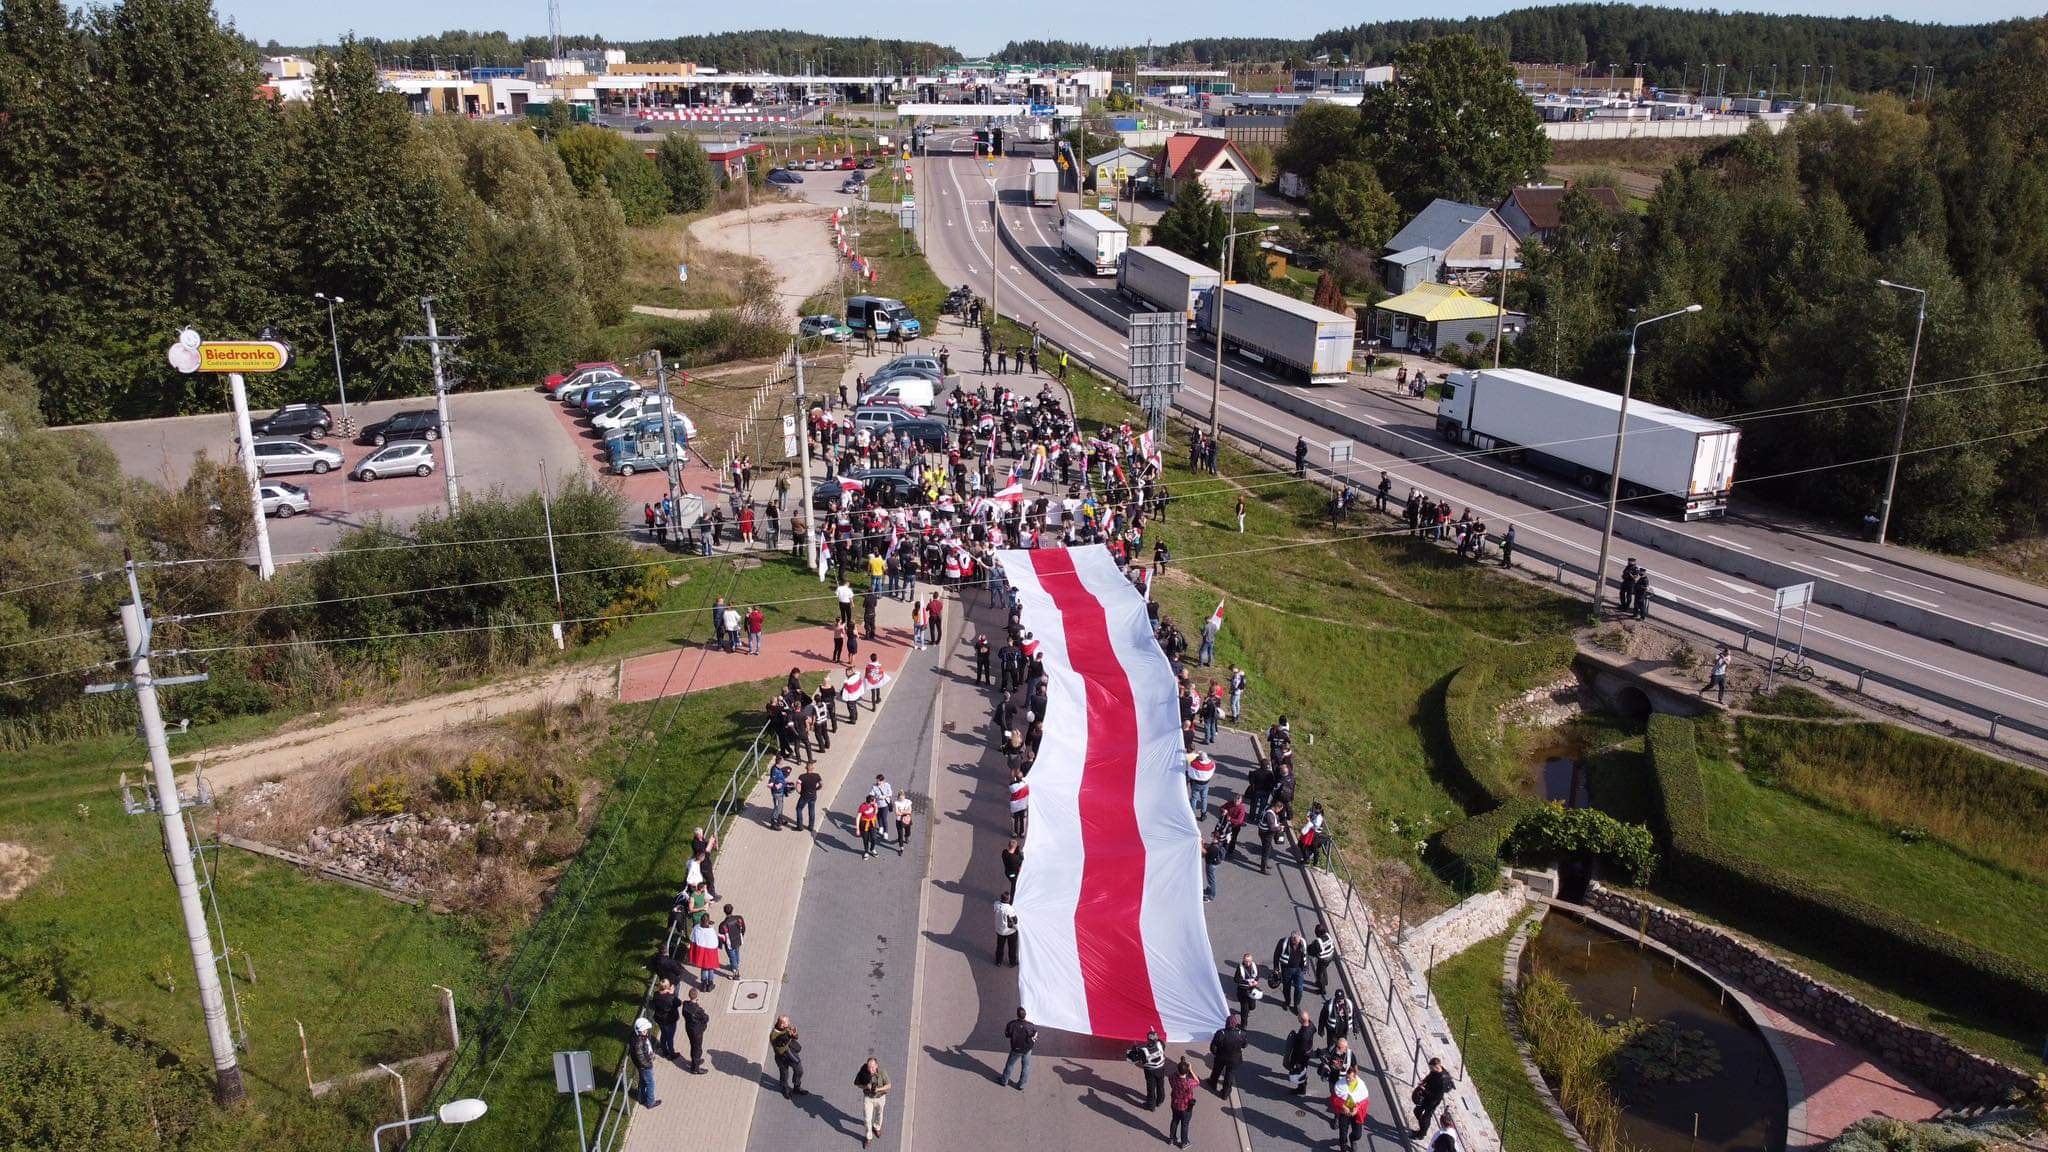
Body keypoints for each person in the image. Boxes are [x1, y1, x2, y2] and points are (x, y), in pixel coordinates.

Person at [1331, 1065, 1371, 1152]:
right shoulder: (1340, 1085)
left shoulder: (1361, 1086)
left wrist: (1357, 1108)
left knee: (1357, 1134)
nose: (1348, 1080)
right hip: (1344, 1112)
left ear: (1355, 1076)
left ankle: (1352, 1139)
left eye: (1350, 1078)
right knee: (1342, 1133)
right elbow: (1334, 1098)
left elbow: (1365, 1101)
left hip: (1356, 1113)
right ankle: (1343, 1146)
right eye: (1347, 1078)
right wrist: (1343, 1106)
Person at [1126, 1029, 1168, 1110]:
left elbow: (1134, 1059)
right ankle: (1160, 1100)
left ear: (1148, 1040)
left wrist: (1133, 1050)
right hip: (1161, 1068)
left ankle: (1151, 1105)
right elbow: (1161, 1045)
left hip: (1150, 1071)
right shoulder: (1161, 1044)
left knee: (1151, 1088)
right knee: (1160, 1085)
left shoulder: (1144, 1050)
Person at [1206, 1013, 1247, 1096]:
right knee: (1230, 1075)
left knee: (1216, 1071)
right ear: (1236, 1024)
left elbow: (1213, 1047)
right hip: (1235, 1059)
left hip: (1221, 1057)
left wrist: (1216, 1053)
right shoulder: (1241, 1034)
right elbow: (1244, 1045)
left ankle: (1213, 1084)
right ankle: (1225, 1093)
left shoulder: (1221, 1033)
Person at [854, 1057, 891, 1148]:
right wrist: (866, 1086)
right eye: (869, 1067)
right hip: (868, 1098)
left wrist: (878, 1089)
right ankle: (868, 1137)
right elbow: (857, 1084)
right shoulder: (864, 1072)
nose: (871, 1070)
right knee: (867, 1119)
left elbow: (889, 1085)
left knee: (879, 1114)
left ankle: (877, 1127)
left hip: (880, 1097)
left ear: (876, 1065)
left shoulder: (882, 1072)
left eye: (873, 1067)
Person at [1413, 1056, 1453, 1137]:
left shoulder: (1442, 1080)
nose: (1430, 1069)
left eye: (1431, 1068)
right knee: (1417, 1111)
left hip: (1433, 1101)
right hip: (1427, 1095)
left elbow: (1435, 1095)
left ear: (1437, 1066)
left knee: (1426, 1116)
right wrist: (1424, 1081)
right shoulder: (1435, 1071)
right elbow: (1430, 1076)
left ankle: (1421, 1134)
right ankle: (1422, 1127)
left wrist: (1424, 1089)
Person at [1283, 1009, 1318, 1096]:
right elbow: (1315, 1030)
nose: (1297, 1017)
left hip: (1301, 1057)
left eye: (1299, 1017)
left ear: (1301, 1020)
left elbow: (1301, 1051)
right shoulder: (1311, 1025)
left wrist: (1296, 1062)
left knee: (1301, 1071)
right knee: (1302, 1070)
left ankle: (1301, 1088)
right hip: (1308, 1051)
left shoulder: (1303, 1035)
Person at [1001, 1007, 1037, 1089]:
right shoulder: (1031, 1025)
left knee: (1010, 1065)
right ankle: (1021, 1085)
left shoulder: (1011, 1024)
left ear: (1017, 1015)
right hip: (1027, 1049)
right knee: (1026, 1066)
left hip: (1016, 1049)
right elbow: (1035, 1036)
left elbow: (1007, 1035)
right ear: (1025, 1015)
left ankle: (1004, 1081)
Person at [1273, 930, 1309, 1012]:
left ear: (1300, 938)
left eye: (1296, 941)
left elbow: (1306, 955)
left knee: (1299, 988)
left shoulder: (1303, 943)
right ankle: (1287, 1002)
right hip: (1286, 969)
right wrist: (1276, 969)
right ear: (1291, 938)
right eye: (1293, 940)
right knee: (1286, 987)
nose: (1295, 943)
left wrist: (1306, 967)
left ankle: (1296, 1005)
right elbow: (1276, 955)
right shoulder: (1282, 942)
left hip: (1299, 969)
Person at [770, 1016, 806, 1098]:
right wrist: (788, 1036)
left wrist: (794, 1034)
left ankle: (797, 1087)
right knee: (784, 1074)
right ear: (782, 1024)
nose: (789, 1023)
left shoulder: (787, 1027)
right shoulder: (774, 1035)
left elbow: (796, 1037)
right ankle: (785, 1089)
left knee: (799, 1070)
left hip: (792, 1053)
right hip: (782, 1057)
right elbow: (780, 1047)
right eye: (787, 1022)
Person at [1167, 1057, 1199, 1147]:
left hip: (1175, 1104)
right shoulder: (1188, 1082)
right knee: (1184, 1124)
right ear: (1186, 1071)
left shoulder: (1172, 1078)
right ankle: (1184, 1142)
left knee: (1174, 1120)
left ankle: (1172, 1138)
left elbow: (1172, 1075)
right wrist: (1191, 1070)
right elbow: (1197, 1081)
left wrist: (1180, 1066)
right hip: (1186, 1106)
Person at [679, 986, 710, 1074]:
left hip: (689, 1029)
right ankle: (695, 1068)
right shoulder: (697, 1010)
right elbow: (706, 1018)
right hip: (697, 1031)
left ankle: (695, 1061)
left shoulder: (685, 1004)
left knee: (693, 1046)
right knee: (697, 1048)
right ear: (696, 997)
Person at [650, 978, 681, 1060]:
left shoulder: (656, 994)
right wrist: (672, 994)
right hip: (669, 1020)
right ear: (667, 987)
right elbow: (679, 1003)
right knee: (670, 1037)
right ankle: (671, 1053)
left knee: (664, 1034)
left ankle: (664, 1050)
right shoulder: (670, 998)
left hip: (660, 1019)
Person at [630, 1017, 659, 1107]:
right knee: (650, 1083)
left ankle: (641, 1098)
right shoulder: (639, 1042)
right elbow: (641, 1058)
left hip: (642, 1066)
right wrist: (649, 1065)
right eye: (644, 1031)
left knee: (643, 1081)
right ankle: (651, 1102)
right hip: (645, 1066)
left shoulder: (638, 1037)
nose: (646, 1032)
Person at [1232, 951, 1264, 1023]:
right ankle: (1244, 1025)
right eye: (1246, 961)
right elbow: (1236, 979)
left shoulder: (1254, 966)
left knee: (1252, 1007)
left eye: (1249, 961)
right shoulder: (1240, 967)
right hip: (1242, 990)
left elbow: (1257, 975)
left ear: (1252, 960)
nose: (1248, 963)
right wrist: (1247, 982)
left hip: (1252, 989)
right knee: (1244, 1009)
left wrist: (1256, 981)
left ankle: (1247, 1010)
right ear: (1243, 960)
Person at [1309, 922, 1338, 995]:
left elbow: (1312, 951)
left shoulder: (1318, 942)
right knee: (1324, 969)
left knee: (1319, 974)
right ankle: (1325, 981)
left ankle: (1322, 989)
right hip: (1330, 956)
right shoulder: (1328, 935)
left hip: (1323, 959)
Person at [719, 903, 746, 974]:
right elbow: (743, 928)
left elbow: (721, 937)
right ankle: (736, 964)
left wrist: (720, 945)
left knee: (732, 956)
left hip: (729, 943)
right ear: (732, 910)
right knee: (737, 952)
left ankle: (735, 969)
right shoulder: (739, 918)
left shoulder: (722, 924)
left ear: (724, 912)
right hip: (738, 939)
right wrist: (742, 936)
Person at [994, 889, 1019, 966]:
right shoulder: (1010, 909)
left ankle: (998, 961)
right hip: (1009, 931)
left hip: (999, 930)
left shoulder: (996, 904)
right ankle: (1012, 962)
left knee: (1000, 947)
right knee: (1012, 948)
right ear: (1008, 899)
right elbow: (1015, 920)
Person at [1186, 751, 1215, 819]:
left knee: (1194, 799)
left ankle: (1192, 814)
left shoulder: (1194, 764)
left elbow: (1190, 773)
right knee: (1204, 798)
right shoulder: (1211, 764)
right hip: (1206, 783)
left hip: (1196, 783)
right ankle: (1203, 813)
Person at [795, 763, 823, 832]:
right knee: (811, 810)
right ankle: (811, 827)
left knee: (799, 809)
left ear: (806, 768)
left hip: (804, 796)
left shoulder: (802, 776)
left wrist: (800, 792)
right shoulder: (817, 776)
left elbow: (798, 787)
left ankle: (800, 826)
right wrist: (817, 789)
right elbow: (821, 784)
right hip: (813, 795)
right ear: (813, 768)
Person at [767, 757, 792, 829]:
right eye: (783, 760)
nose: (784, 761)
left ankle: (780, 819)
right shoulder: (775, 770)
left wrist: (785, 782)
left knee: (780, 806)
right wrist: (775, 786)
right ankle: (773, 822)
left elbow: (780, 779)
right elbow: (771, 782)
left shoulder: (778, 768)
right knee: (778, 807)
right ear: (780, 762)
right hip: (777, 793)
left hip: (781, 792)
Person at [1008, 767, 1030, 836]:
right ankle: (1022, 833)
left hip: (1014, 805)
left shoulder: (1012, 785)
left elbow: (1011, 789)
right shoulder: (1026, 785)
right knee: (1023, 819)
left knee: (1014, 819)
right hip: (1023, 804)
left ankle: (1014, 833)